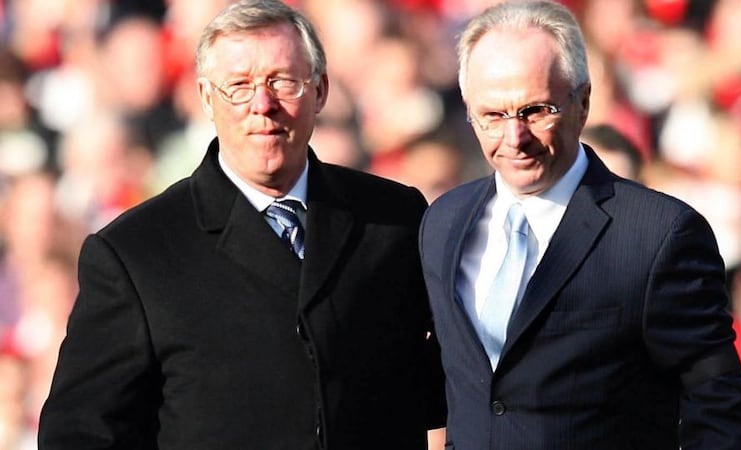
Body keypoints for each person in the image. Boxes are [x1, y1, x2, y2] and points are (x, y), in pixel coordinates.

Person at [38, 1, 446, 449]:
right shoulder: (136, 253)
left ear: (321, 91)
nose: (262, 105)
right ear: (206, 99)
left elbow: (438, 387)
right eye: (238, 86)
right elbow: (80, 433)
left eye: (282, 81)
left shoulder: (392, 218)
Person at [418, 1, 741, 449]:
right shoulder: (443, 223)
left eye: (535, 110)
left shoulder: (657, 235)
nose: (514, 138)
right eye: (492, 115)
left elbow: (722, 407)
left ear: (582, 101)